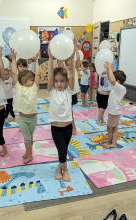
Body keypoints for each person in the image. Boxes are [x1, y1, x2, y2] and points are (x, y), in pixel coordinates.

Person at [47, 44, 75, 182]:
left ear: (66, 82)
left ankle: (59, 169)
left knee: (62, 150)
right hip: (56, 128)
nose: (58, 83)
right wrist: (51, 58)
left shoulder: (68, 91)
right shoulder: (51, 91)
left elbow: (73, 74)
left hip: (68, 127)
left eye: (62, 81)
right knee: (62, 151)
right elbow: (51, 77)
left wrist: (72, 56)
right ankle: (66, 171)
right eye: (56, 81)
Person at [10, 48, 40, 164]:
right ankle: (30, 155)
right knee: (27, 138)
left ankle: (28, 152)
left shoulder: (34, 88)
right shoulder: (18, 87)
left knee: (30, 138)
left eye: (33, 80)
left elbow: (37, 74)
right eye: (30, 80)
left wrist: (36, 61)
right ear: (23, 80)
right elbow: (13, 73)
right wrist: (13, 59)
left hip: (33, 118)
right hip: (23, 118)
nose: (32, 81)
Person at [58, 39, 80, 135]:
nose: (69, 66)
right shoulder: (64, 71)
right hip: (65, 94)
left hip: (72, 93)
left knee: (69, 112)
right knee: (67, 111)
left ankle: (73, 127)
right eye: (67, 65)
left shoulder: (74, 69)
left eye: (70, 64)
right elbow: (59, 65)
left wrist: (75, 49)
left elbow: (78, 60)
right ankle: (69, 127)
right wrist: (62, 56)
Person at [102, 62, 126, 149]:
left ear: (118, 81)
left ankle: (110, 142)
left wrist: (109, 69)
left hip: (114, 112)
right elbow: (110, 78)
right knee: (114, 128)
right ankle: (114, 143)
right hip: (113, 111)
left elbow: (112, 80)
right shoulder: (116, 87)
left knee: (109, 127)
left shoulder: (121, 88)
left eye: (114, 80)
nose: (112, 82)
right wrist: (110, 68)